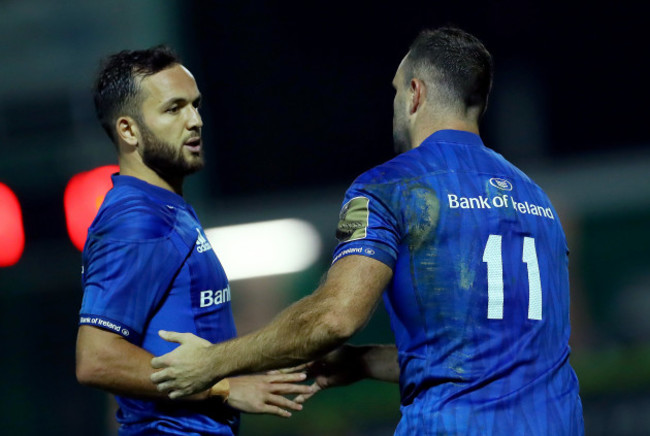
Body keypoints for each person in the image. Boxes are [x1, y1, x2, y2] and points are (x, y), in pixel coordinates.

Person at [149, 27, 585, 435]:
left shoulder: (393, 186)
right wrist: (362, 364)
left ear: (415, 94)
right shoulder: (537, 201)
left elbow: (334, 317)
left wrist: (212, 362)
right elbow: (501, 356)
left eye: (395, 91)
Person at [75, 46, 313, 436]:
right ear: (128, 130)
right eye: (174, 109)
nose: (195, 121)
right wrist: (223, 387)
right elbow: (97, 359)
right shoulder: (136, 221)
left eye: (195, 105)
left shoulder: (167, 207)